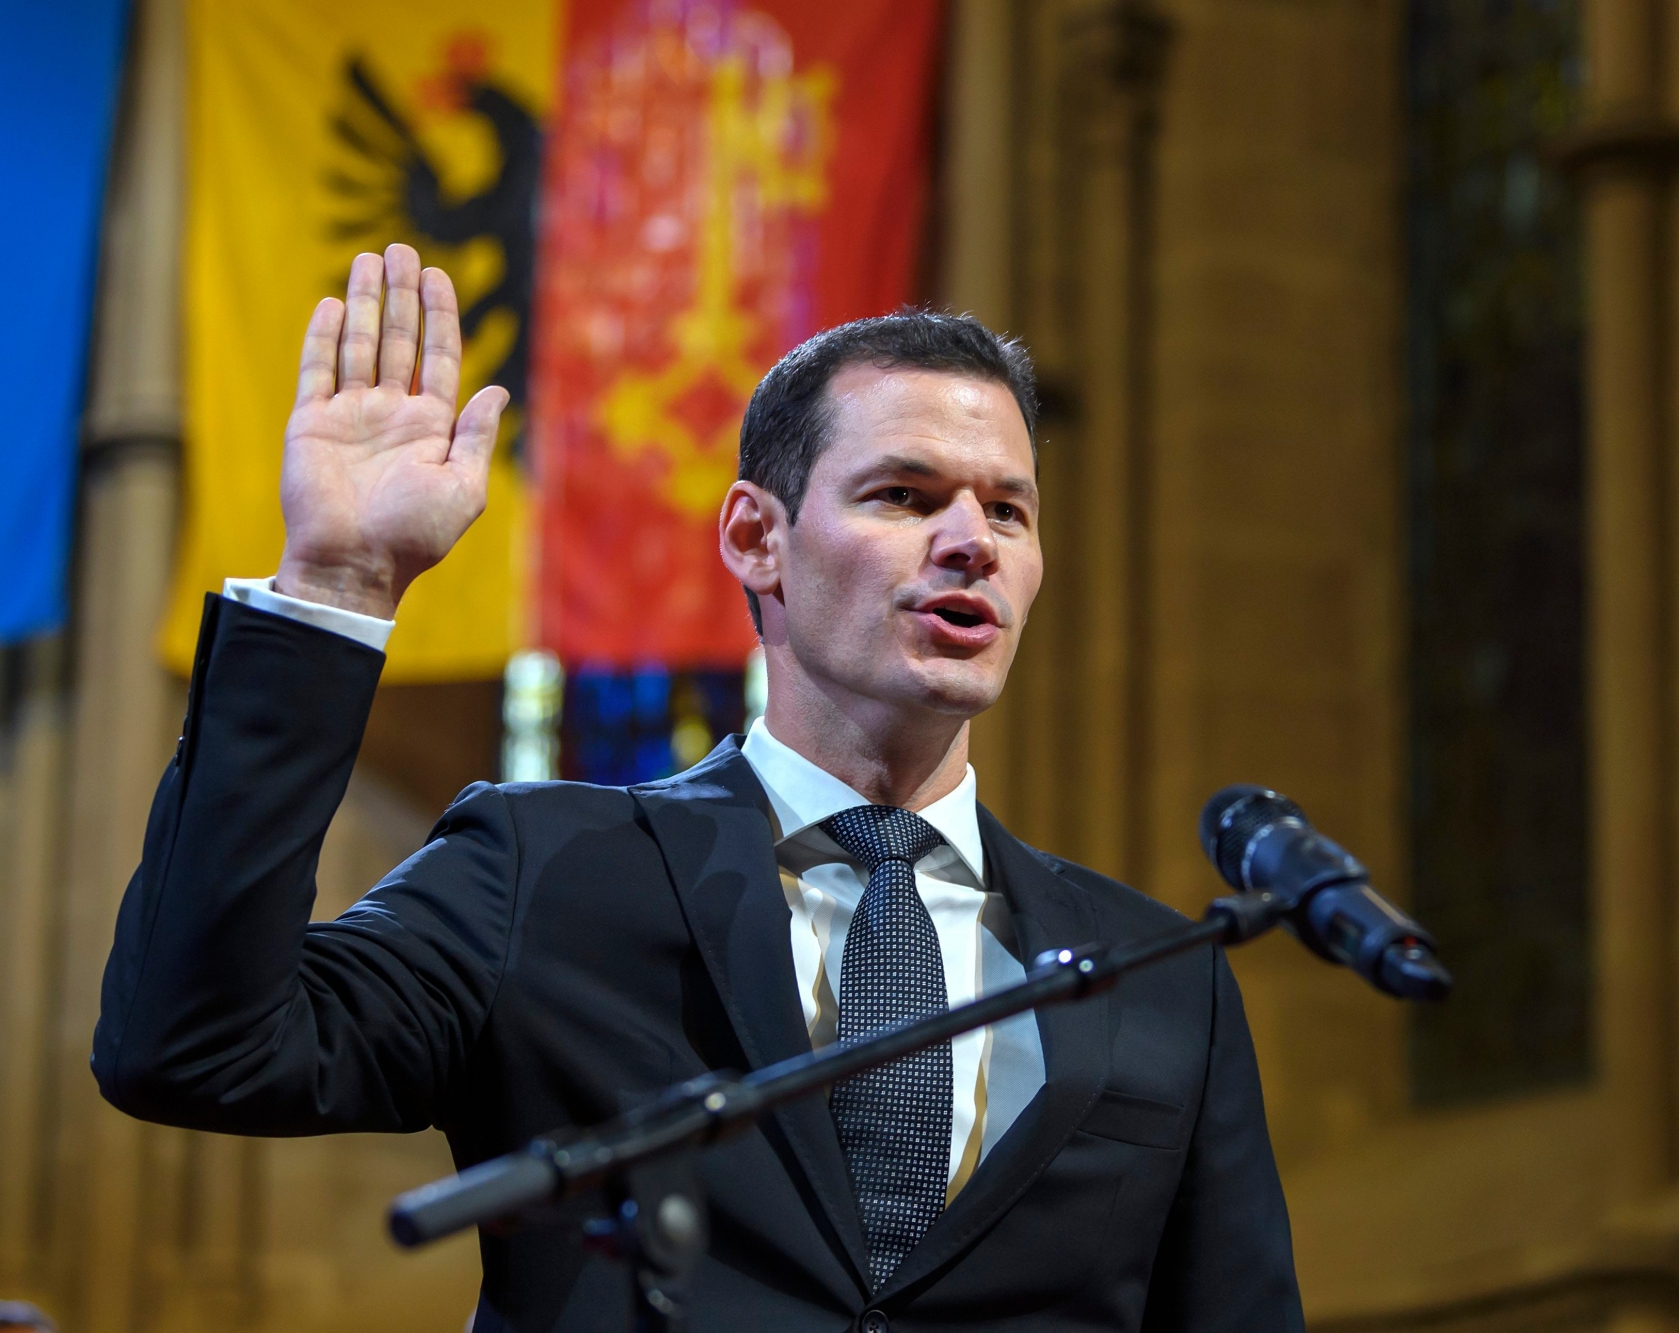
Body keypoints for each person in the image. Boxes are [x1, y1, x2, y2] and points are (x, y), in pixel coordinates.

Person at [94, 244, 1303, 1332]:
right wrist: (338, 579)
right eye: (905, 495)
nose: (972, 540)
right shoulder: (546, 870)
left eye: (1008, 508)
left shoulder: (1162, 979)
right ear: (754, 538)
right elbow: (192, 1047)